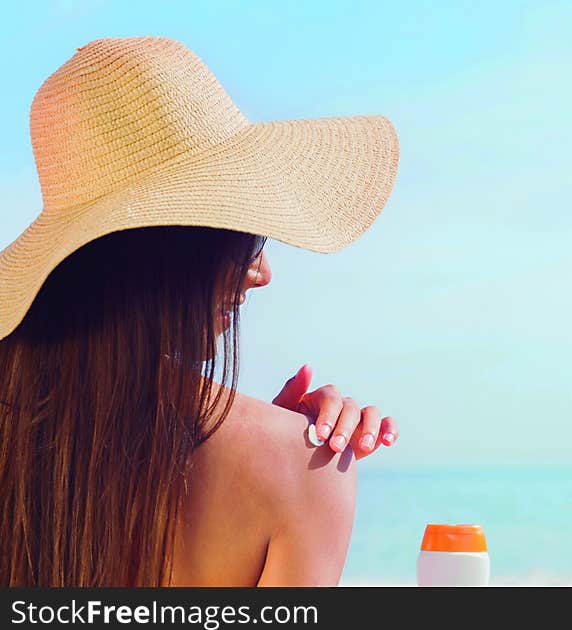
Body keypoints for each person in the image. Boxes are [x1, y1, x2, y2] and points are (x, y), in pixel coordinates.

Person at [0, 36, 400, 587]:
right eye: (245, 238)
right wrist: (284, 456)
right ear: (175, 251)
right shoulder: (302, 472)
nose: (262, 273)